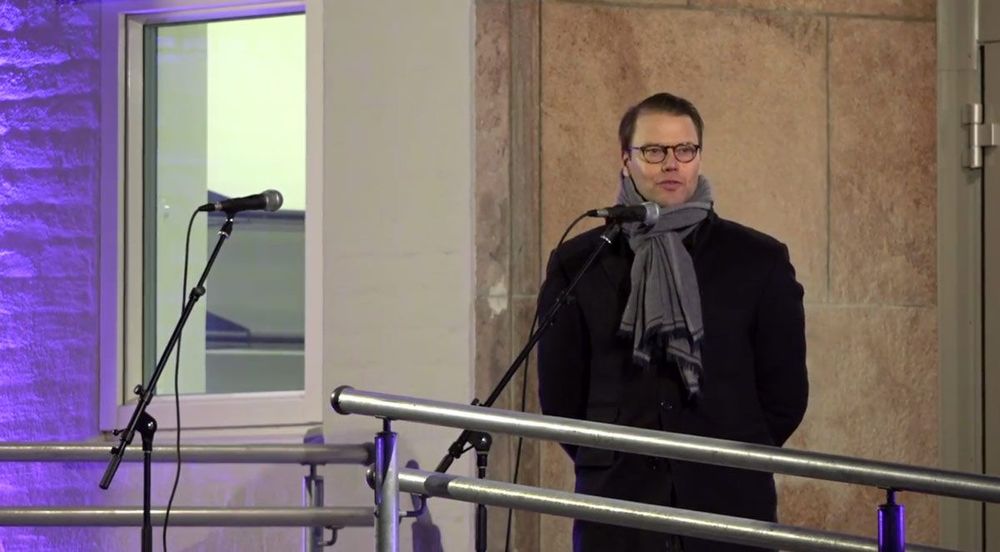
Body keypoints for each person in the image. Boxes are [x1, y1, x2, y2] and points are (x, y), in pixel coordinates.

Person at [536, 92, 809, 552]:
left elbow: (785, 395)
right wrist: (605, 458)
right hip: (618, 504)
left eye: (685, 150)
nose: (671, 164)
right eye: (654, 151)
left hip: (728, 502)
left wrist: (732, 454)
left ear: (698, 156)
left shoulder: (758, 260)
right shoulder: (580, 262)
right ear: (625, 160)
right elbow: (561, 393)